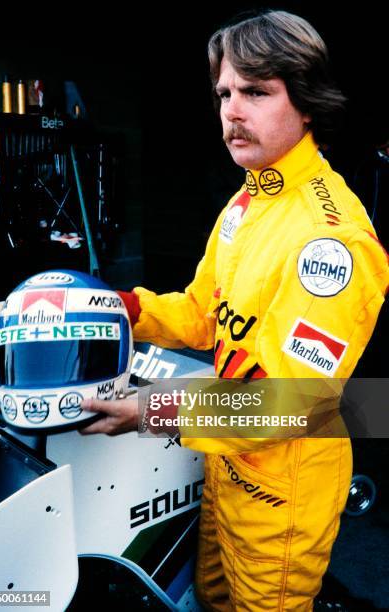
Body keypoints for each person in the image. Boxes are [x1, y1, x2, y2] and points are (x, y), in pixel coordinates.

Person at [79, 11, 389, 611]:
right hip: (222, 463)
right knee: (208, 598)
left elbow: (290, 403)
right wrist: (115, 306)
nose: (232, 111)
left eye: (255, 91)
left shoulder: (333, 240)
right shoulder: (250, 198)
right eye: (225, 92)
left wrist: (153, 409)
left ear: (306, 104)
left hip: (283, 495)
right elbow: (202, 312)